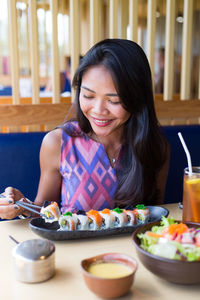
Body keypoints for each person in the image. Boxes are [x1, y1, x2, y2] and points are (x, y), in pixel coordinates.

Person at [0, 39, 170, 220]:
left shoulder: (155, 146)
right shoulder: (58, 143)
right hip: (73, 247)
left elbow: (155, 216)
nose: (98, 110)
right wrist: (22, 205)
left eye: (113, 100)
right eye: (88, 95)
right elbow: (44, 213)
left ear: (138, 99)